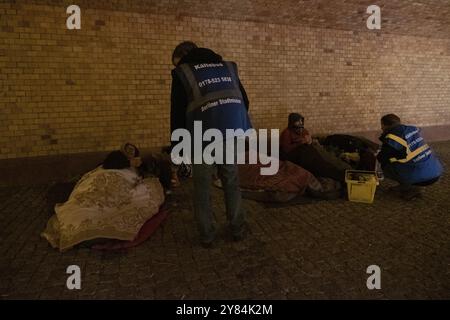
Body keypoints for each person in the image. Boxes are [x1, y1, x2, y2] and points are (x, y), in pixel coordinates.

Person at [170, 41, 252, 247]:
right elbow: (245, 101)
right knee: (231, 181)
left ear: (185, 57)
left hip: (202, 137)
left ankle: (207, 235)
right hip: (232, 131)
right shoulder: (227, 68)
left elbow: (177, 114)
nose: (176, 68)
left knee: (202, 187)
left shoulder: (184, 73)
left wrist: (177, 148)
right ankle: (237, 228)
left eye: (177, 63)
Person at [41, 149, 165, 251]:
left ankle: (82, 226)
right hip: (101, 194)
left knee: (85, 205)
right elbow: (133, 189)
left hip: (90, 196)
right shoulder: (127, 171)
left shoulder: (97, 171)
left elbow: (83, 183)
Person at [377, 114, 443, 199]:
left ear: (384, 125)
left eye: (381, 125)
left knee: (386, 167)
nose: (381, 128)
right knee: (402, 161)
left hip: (423, 176)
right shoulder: (412, 130)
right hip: (435, 171)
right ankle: (408, 185)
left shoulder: (393, 137)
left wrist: (376, 154)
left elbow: (382, 157)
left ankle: (410, 188)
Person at [280, 113, 349, 182]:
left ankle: (340, 173)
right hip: (298, 156)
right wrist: (300, 143)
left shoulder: (303, 130)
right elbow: (286, 149)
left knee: (322, 162)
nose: (300, 123)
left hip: (308, 152)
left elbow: (309, 140)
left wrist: (309, 140)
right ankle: (336, 174)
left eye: (301, 121)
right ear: (292, 122)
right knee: (317, 166)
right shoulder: (286, 133)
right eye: (298, 121)